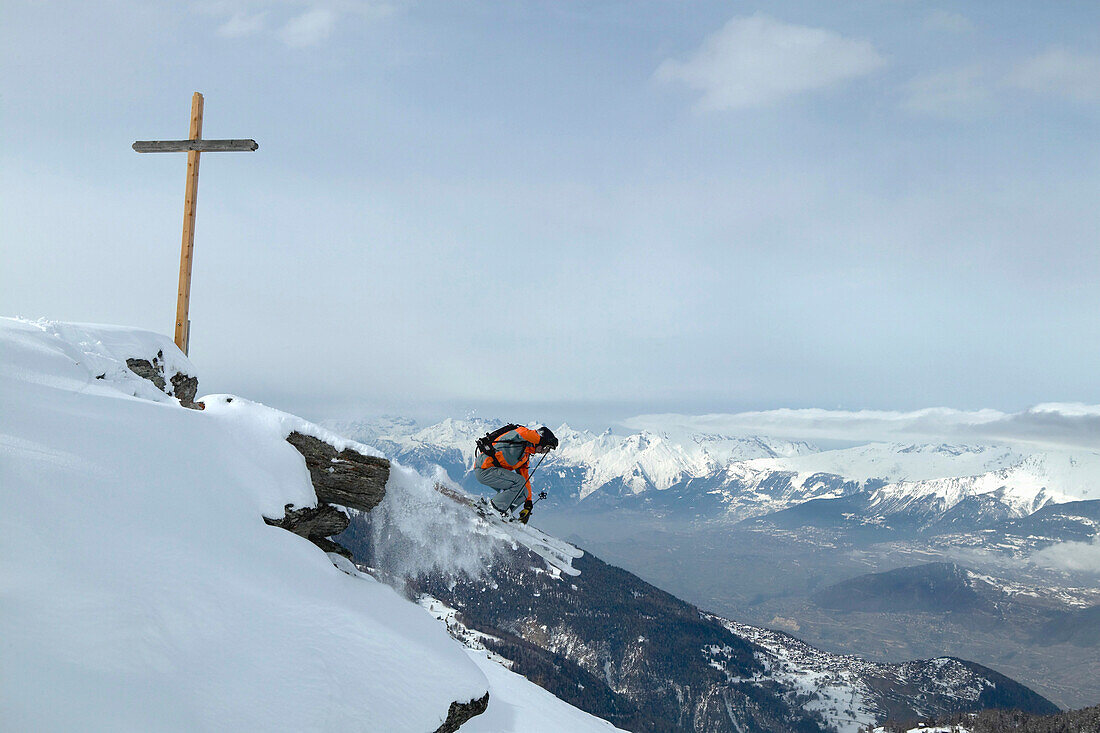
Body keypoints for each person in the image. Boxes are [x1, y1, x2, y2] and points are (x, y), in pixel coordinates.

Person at [474, 425, 558, 523]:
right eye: (546, 448)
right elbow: (523, 433)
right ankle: (494, 508)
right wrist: (541, 439)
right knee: (519, 482)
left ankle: (504, 512)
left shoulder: (524, 456)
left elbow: (525, 478)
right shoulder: (518, 437)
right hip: (484, 469)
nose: (544, 452)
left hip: (493, 472)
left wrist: (528, 503)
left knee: (524, 492)